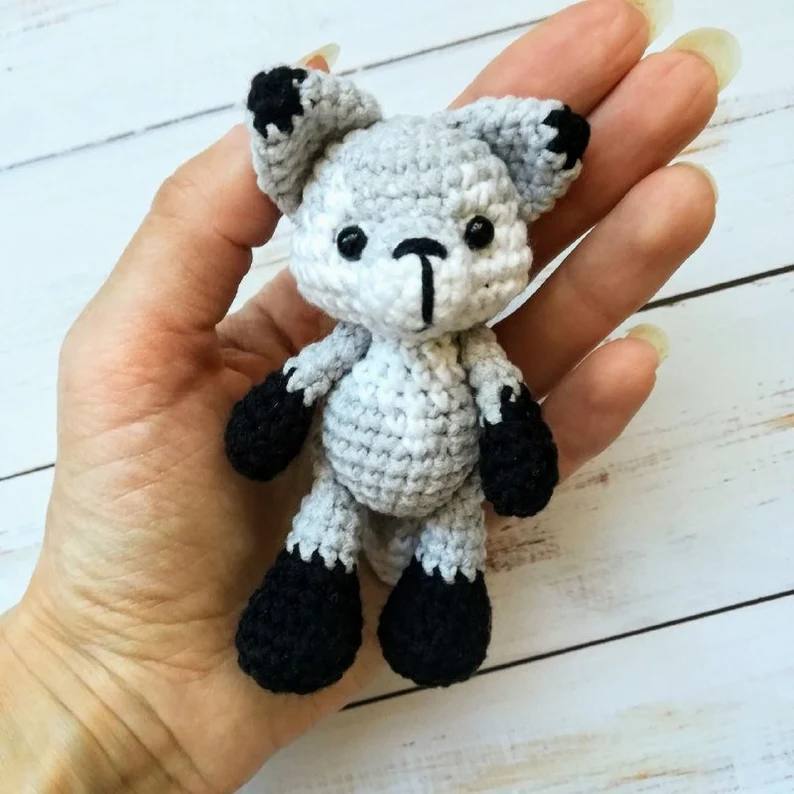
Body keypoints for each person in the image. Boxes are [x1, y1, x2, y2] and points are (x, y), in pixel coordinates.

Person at [0, 0, 736, 790]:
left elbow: (505, 405)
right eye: (354, 243)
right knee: (322, 530)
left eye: (475, 235)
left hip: (450, 495)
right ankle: (309, 608)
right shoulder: (351, 340)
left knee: (455, 540)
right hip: (341, 486)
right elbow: (303, 381)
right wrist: (269, 423)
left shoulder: (476, 352)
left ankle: (436, 611)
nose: (419, 267)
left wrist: (518, 457)